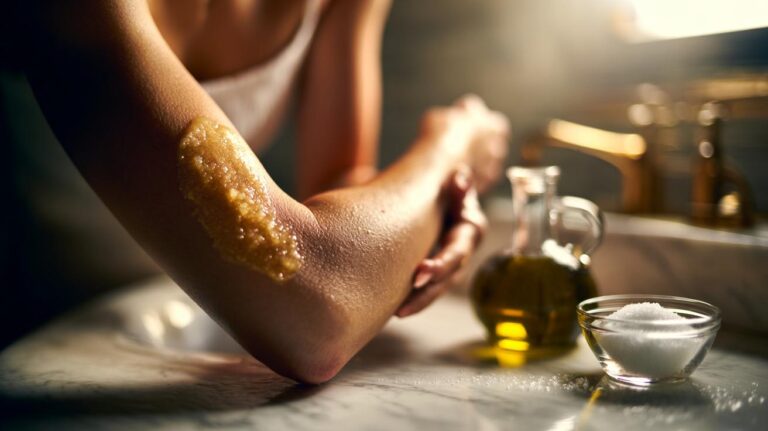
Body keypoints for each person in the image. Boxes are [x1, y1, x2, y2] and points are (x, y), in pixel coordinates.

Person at [6, 0, 509, 383]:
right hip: (37, 360)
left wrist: (425, 209)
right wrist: (451, 151)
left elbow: (343, 189)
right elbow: (316, 322)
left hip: (198, 340)